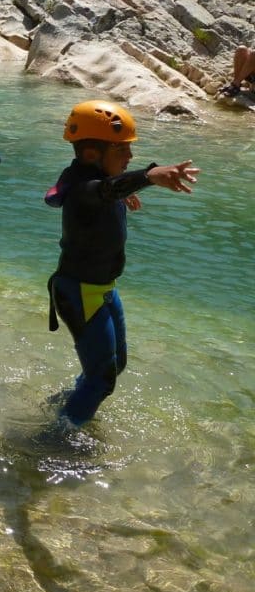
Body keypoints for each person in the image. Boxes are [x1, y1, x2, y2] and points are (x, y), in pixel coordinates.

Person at [45, 99, 200, 427]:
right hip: (80, 292)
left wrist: (122, 191)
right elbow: (102, 190)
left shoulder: (99, 186)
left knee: (113, 366)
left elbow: (109, 189)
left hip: (102, 290)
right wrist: (149, 176)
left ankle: (69, 404)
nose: (130, 157)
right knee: (103, 378)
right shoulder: (83, 190)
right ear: (92, 155)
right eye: (122, 151)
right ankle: (54, 442)